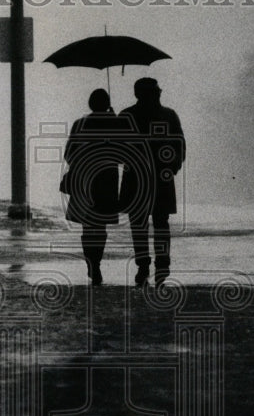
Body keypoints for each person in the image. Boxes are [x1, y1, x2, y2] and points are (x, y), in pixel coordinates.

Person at [118, 77, 185, 286]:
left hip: (135, 178)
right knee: (161, 224)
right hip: (161, 179)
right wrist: (172, 168)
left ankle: (143, 266)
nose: (160, 92)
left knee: (138, 225)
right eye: (156, 90)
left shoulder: (127, 116)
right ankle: (162, 266)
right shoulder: (169, 115)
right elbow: (179, 146)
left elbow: (117, 149)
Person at [64, 88, 125, 286]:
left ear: (90, 104)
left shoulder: (79, 124)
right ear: (107, 103)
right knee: (101, 225)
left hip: (83, 180)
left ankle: (91, 262)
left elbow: (69, 155)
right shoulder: (115, 124)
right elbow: (122, 155)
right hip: (106, 181)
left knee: (87, 225)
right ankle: (96, 262)